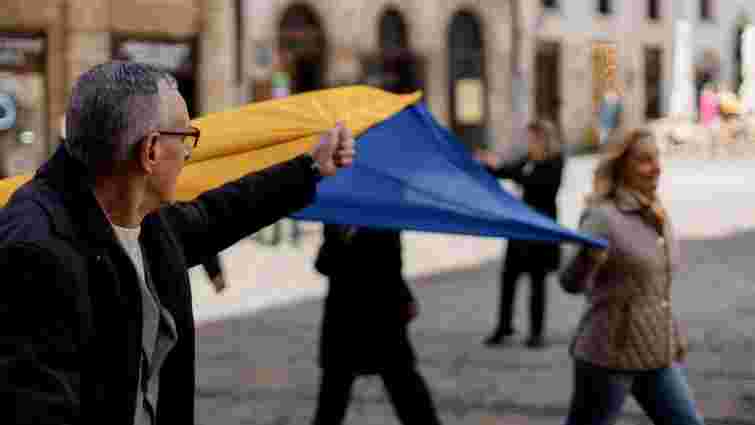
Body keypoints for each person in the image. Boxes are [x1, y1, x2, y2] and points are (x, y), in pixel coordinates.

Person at [0, 61, 355, 424]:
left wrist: (311, 168)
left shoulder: (142, 219)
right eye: (185, 138)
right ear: (151, 150)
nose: (189, 152)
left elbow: (221, 212)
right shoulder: (36, 251)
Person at [559, 129, 703, 425]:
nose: (657, 167)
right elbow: (570, 282)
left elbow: (656, 287)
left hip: (655, 355)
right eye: (645, 160)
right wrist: (587, 260)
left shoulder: (654, 210)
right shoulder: (602, 217)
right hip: (608, 356)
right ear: (622, 165)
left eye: (657, 158)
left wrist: (671, 334)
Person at [312, 225, 442, 425]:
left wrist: (404, 296)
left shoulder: (383, 215)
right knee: (332, 401)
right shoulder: (340, 215)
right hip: (345, 319)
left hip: (382, 318)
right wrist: (339, 240)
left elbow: (390, 265)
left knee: (409, 395)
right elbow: (324, 264)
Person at [477, 119, 564, 349]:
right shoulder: (529, 159)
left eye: (533, 138)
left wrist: (516, 174)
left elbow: (542, 186)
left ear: (544, 139)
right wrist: (488, 165)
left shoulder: (555, 161)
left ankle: (536, 332)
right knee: (508, 276)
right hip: (520, 228)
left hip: (540, 228)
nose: (529, 142)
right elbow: (507, 171)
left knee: (537, 281)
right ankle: (504, 326)